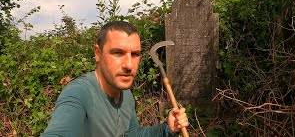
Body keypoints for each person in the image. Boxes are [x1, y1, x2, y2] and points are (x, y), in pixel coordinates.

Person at [41, 21, 189, 137]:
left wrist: (167, 129)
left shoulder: (126, 94)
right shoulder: (79, 93)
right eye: (118, 53)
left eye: (135, 54)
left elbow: (130, 134)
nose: (129, 65)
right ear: (98, 53)